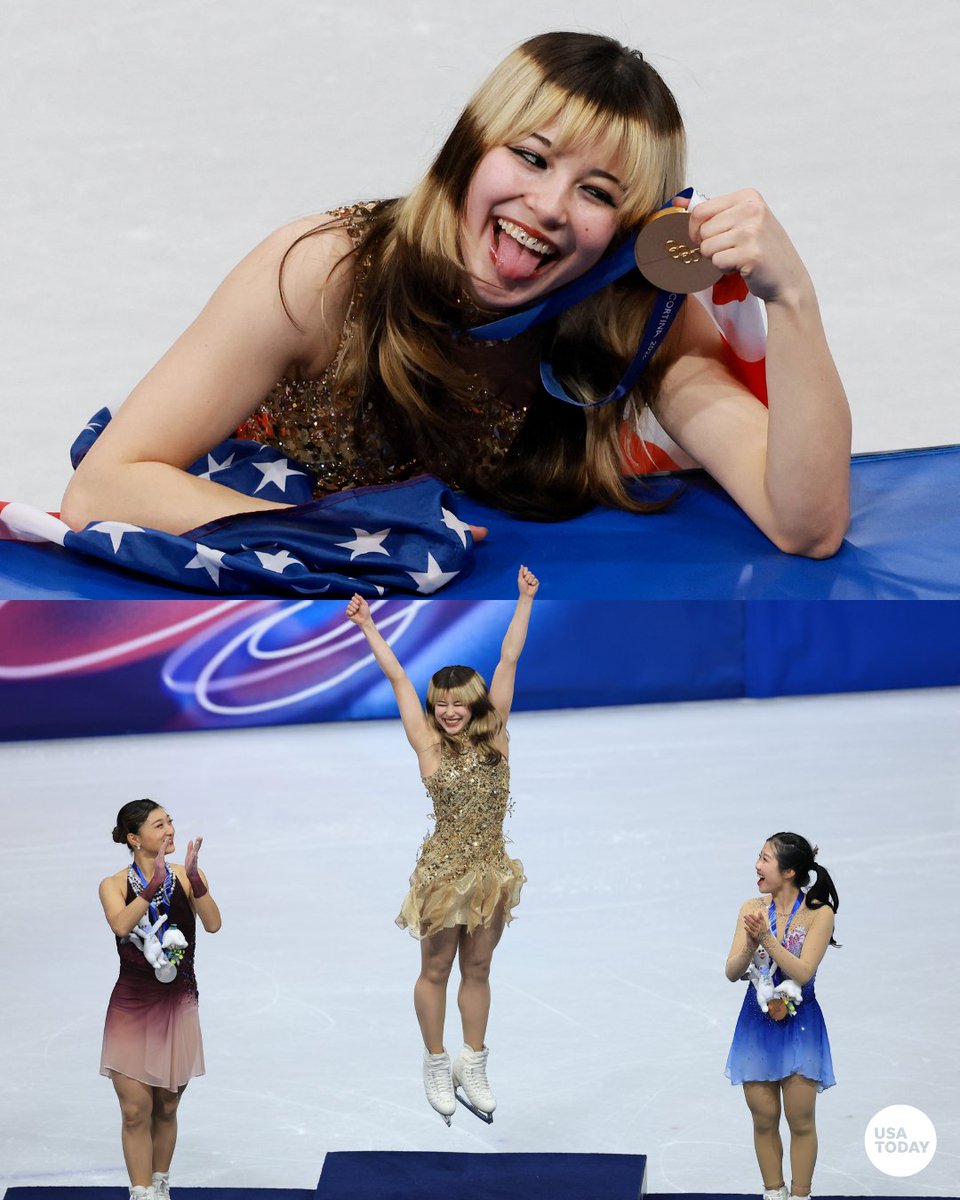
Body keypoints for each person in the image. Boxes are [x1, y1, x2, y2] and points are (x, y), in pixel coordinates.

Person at [61, 32, 850, 560]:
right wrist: (350, 540)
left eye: (597, 191)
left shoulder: (630, 323)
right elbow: (104, 483)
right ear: (468, 150)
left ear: (626, 230)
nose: (547, 206)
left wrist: (794, 300)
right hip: (288, 596)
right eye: (532, 157)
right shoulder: (323, 272)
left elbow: (806, 526)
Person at [345, 564, 538, 1123]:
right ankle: (435, 1061)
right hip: (442, 874)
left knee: (478, 971)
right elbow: (400, 681)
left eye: (459, 703)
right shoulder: (427, 746)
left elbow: (508, 660)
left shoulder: (497, 736)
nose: (449, 712)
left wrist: (523, 600)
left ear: (476, 704)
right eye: (442, 703)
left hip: (492, 873)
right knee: (437, 969)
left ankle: (471, 1061)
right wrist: (368, 627)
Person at [99, 800, 222, 1200]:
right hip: (131, 1007)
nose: (170, 829)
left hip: (178, 1005)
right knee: (135, 1109)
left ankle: (159, 1183)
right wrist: (149, 890)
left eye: (169, 822)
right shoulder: (114, 884)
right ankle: (140, 1193)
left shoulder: (188, 877)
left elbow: (214, 923)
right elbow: (120, 924)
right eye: (159, 824)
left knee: (167, 1105)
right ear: (135, 839)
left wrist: (197, 883)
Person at [725, 833, 840, 1200]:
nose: (757, 865)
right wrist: (750, 943)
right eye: (758, 857)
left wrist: (768, 938)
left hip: (800, 1023)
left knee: (801, 1119)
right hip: (757, 1023)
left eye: (765, 859)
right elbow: (731, 971)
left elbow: (803, 972)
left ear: (789, 871)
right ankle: (773, 1193)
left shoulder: (819, 913)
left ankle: (800, 1196)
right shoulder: (750, 908)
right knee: (763, 1119)